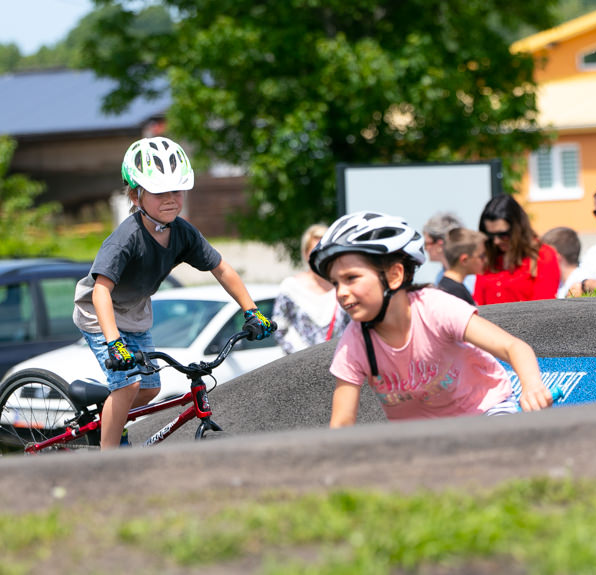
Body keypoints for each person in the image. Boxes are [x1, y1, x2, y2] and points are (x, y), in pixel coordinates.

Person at [72, 136, 275, 450]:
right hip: (100, 315)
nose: (170, 199)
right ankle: (108, 458)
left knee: (150, 388)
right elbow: (100, 291)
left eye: (177, 191)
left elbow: (221, 268)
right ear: (136, 195)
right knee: (128, 385)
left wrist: (251, 311)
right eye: (159, 192)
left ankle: (110, 411)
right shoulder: (126, 238)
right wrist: (114, 343)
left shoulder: (182, 233)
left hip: (136, 314)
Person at [308, 211, 553, 427]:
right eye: (336, 282)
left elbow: (514, 347)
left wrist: (532, 387)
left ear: (394, 275)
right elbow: (341, 423)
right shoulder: (355, 341)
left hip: (486, 412)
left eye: (351, 278)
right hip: (426, 438)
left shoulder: (434, 307)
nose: (341, 292)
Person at [272, 223, 349, 354]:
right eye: (314, 251)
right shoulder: (290, 288)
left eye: (325, 251)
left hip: (340, 365)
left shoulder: (343, 287)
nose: (320, 256)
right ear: (305, 253)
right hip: (301, 367)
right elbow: (279, 329)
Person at [473, 195, 560, 305]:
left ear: (518, 229)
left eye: (503, 235)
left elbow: (543, 308)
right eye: (490, 235)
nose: (496, 241)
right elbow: (478, 304)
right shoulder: (487, 256)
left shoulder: (542, 256)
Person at [438, 227, 488, 306]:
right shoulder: (455, 293)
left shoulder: (449, 287)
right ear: (464, 260)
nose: (486, 260)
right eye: (481, 256)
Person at [540, 226, 581, 299]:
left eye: (543, 254)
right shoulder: (560, 284)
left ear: (556, 256)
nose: (539, 259)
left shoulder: (581, 283)